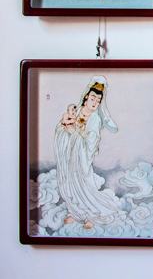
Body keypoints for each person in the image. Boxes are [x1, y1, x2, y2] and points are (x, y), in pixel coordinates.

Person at [54, 76, 122, 229]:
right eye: (92, 98)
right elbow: (60, 127)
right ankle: (75, 212)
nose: (95, 102)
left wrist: (75, 133)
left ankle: (91, 215)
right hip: (69, 156)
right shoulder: (76, 111)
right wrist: (64, 127)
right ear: (86, 97)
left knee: (84, 186)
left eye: (98, 100)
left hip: (81, 158)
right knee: (70, 184)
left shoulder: (95, 119)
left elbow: (91, 142)